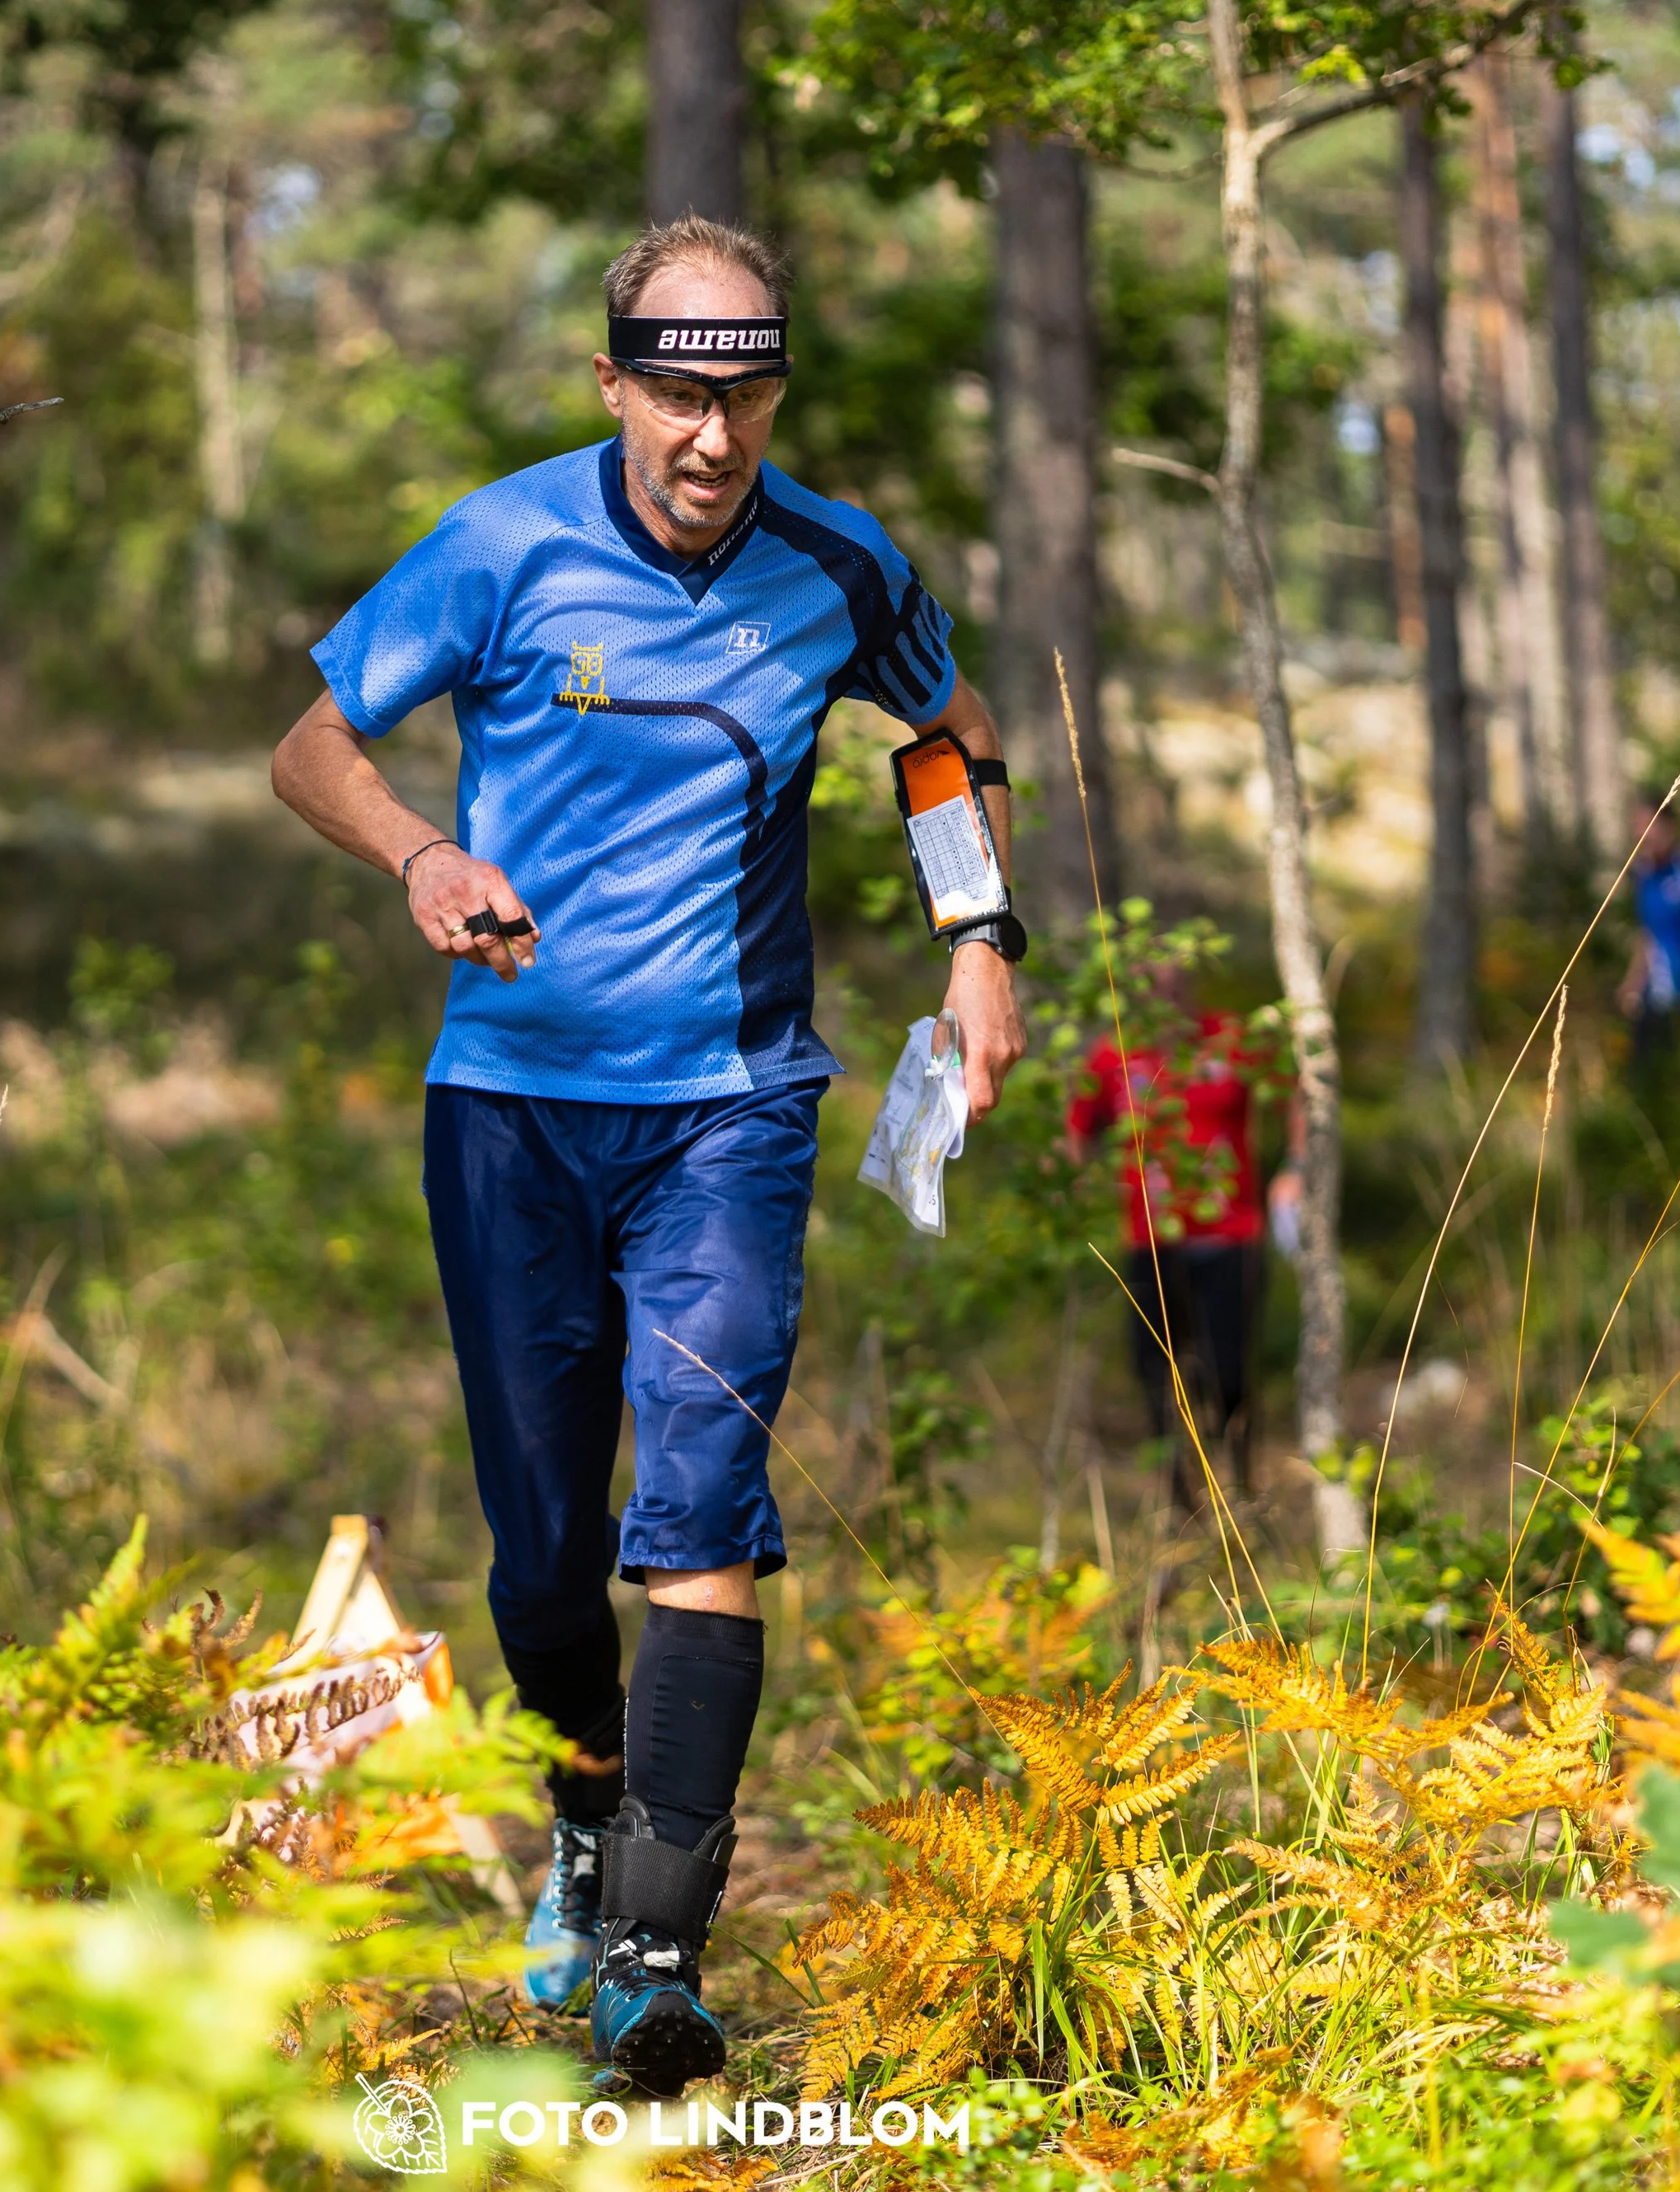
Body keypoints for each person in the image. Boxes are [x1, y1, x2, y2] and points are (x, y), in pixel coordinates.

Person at [270, 216, 1026, 2092]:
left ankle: (658, 1964)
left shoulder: (837, 563)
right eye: (678, 388)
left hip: (734, 1108)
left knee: (698, 1516)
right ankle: (590, 1807)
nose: (711, 430)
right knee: (542, 1559)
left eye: (744, 388)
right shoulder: (502, 544)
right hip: (512, 1110)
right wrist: (421, 858)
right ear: (613, 380)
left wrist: (981, 942)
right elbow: (308, 746)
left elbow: (945, 737)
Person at [1066, 979, 1274, 1502]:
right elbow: (1076, 1128)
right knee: (1157, 1372)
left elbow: (1292, 1096)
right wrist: (1078, 1179)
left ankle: (1242, 1487)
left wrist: (1295, 1169)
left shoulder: (1230, 1039)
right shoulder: (1114, 1053)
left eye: (1177, 989)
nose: (1168, 1002)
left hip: (1232, 1233)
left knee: (1226, 1369)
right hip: (1151, 1238)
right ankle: (1181, 1499)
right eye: (1154, 992)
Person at [1618, 793, 1680, 1068]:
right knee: (1649, 1069)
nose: (1644, 835)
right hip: (1663, 993)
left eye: (1650, 826)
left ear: (1670, 825)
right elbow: (1647, 933)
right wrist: (1634, 982)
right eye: (1638, 827)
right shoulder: (1643, 874)